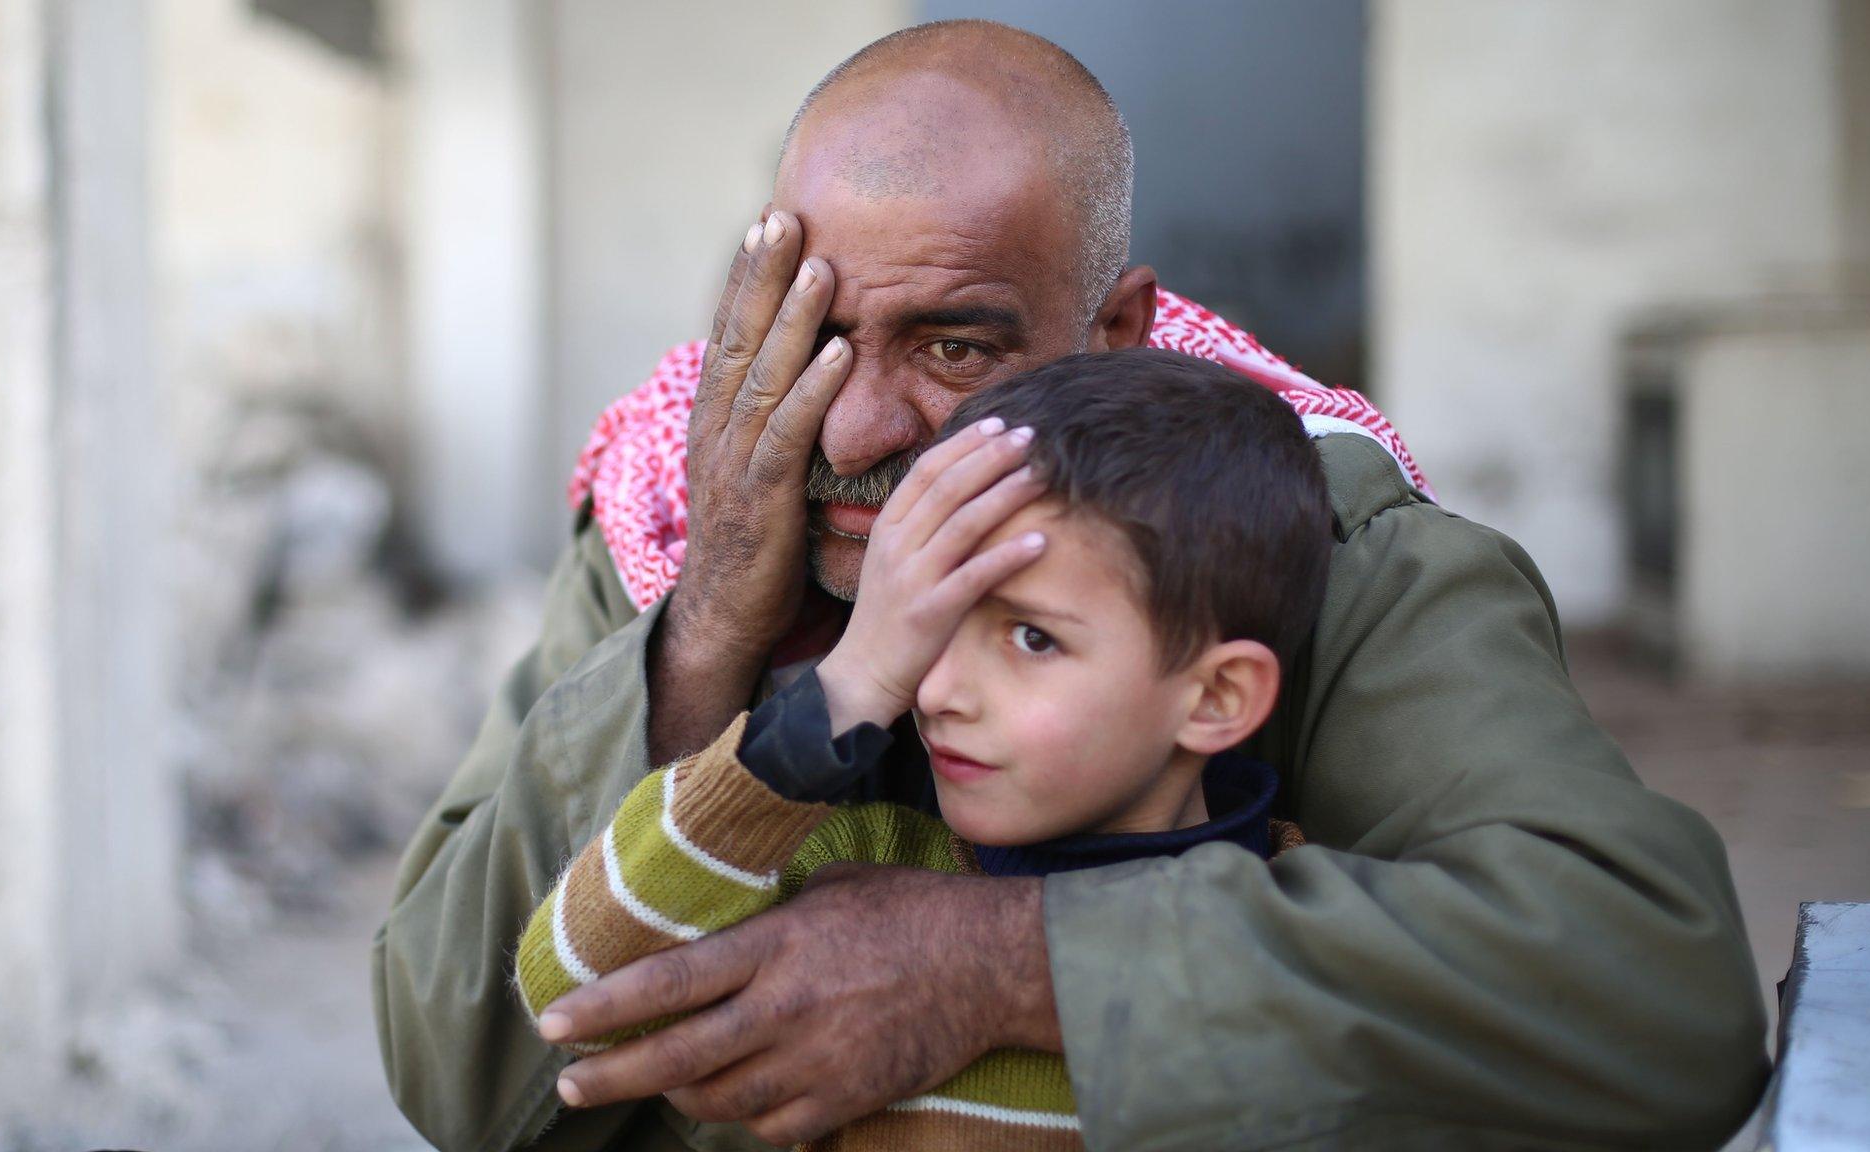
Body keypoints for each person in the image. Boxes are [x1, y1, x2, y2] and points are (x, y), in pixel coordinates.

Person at [375, 20, 1767, 1152]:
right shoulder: (689, 527)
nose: (858, 431)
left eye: (956, 349)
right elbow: (458, 1065)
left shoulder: (1286, 537)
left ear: (1115, 334)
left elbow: (1651, 989)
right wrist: (711, 639)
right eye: (817, 341)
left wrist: (1003, 962)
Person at [515, 351, 1326, 1151]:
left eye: (1032, 637)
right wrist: (848, 686)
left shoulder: (1300, 937)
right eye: (930, 623)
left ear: (1217, 698)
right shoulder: (860, 877)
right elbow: (575, 990)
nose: (936, 692)